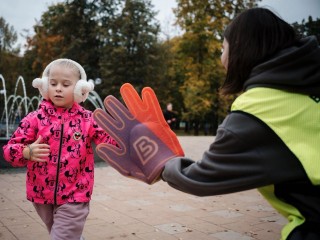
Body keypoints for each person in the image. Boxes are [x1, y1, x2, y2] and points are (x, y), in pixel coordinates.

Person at [93, 7, 320, 240]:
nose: (222, 59)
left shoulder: (260, 109)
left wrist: (161, 162)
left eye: (223, 49)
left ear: (242, 49)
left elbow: (202, 177)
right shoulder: (309, 88)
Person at [2, 58, 117, 240]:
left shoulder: (88, 119)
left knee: (61, 237)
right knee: (62, 233)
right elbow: (9, 150)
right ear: (45, 86)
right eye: (53, 83)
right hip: (41, 195)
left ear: (80, 89)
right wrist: (26, 152)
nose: (58, 88)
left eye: (65, 84)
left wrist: (129, 137)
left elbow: (110, 142)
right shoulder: (35, 118)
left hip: (75, 194)